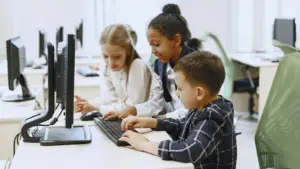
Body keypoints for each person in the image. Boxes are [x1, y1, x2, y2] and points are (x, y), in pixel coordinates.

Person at [119, 51, 237, 169]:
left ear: (199, 93)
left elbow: (189, 151)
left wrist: (144, 144)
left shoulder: (212, 118)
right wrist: (152, 122)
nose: (177, 93)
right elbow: (183, 126)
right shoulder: (202, 106)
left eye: (180, 88)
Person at [75, 24, 164, 119]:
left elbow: (130, 107)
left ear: (128, 52)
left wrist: (96, 108)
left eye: (117, 57)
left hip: (153, 119)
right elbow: (111, 99)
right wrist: (87, 103)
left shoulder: (138, 66)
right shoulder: (106, 66)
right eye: (105, 56)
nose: (110, 62)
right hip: (132, 119)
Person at [148, 4, 202, 70]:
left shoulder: (199, 65)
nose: (153, 51)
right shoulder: (158, 64)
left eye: (157, 44)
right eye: (151, 45)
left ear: (176, 40)